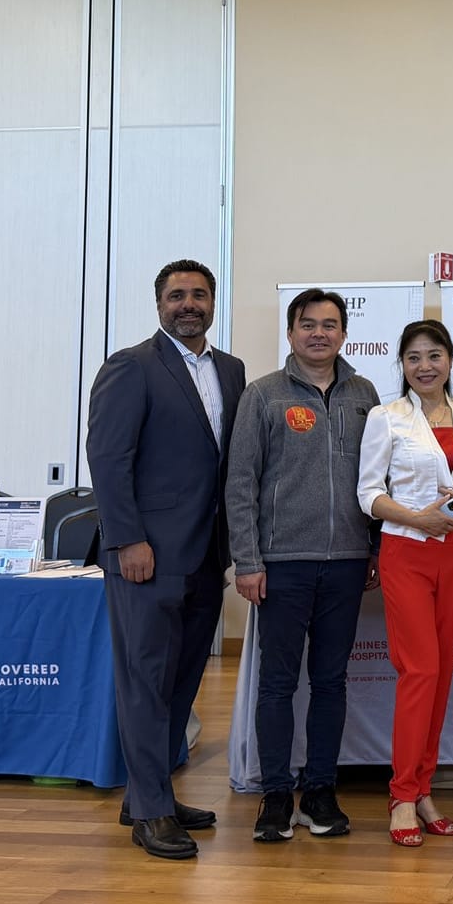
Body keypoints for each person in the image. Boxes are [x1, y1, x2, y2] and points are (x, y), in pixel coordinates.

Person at [86, 258, 246, 860]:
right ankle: (151, 811)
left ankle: (149, 793)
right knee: (145, 682)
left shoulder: (231, 370)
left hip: (207, 554)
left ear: (212, 303)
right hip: (145, 556)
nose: (188, 304)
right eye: (176, 295)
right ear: (159, 304)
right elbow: (108, 458)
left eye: (198, 294)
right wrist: (127, 540)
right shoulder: (132, 366)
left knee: (182, 682)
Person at [226, 288, 380, 843]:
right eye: (308, 324)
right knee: (277, 683)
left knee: (332, 682)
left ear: (344, 333)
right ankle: (274, 794)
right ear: (291, 332)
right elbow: (240, 483)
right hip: (281, 564)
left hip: (346, 563)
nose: (319, 333)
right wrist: (247, 559)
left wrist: (375, 550)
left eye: (330, 324)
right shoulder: (263, 396)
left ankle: (319, 790)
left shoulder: (365, 394)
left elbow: (378, 481)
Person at [357, 319, 453, 848]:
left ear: (451, 360)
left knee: (441, 678)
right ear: (402, 365)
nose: (425, 366)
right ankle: (402, 795)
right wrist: (417, 518)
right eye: (414, 357)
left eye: (434, 355)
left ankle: (424, 789)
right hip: (406, 551)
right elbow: (368, 493)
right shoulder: (385, 418)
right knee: (420, 671)